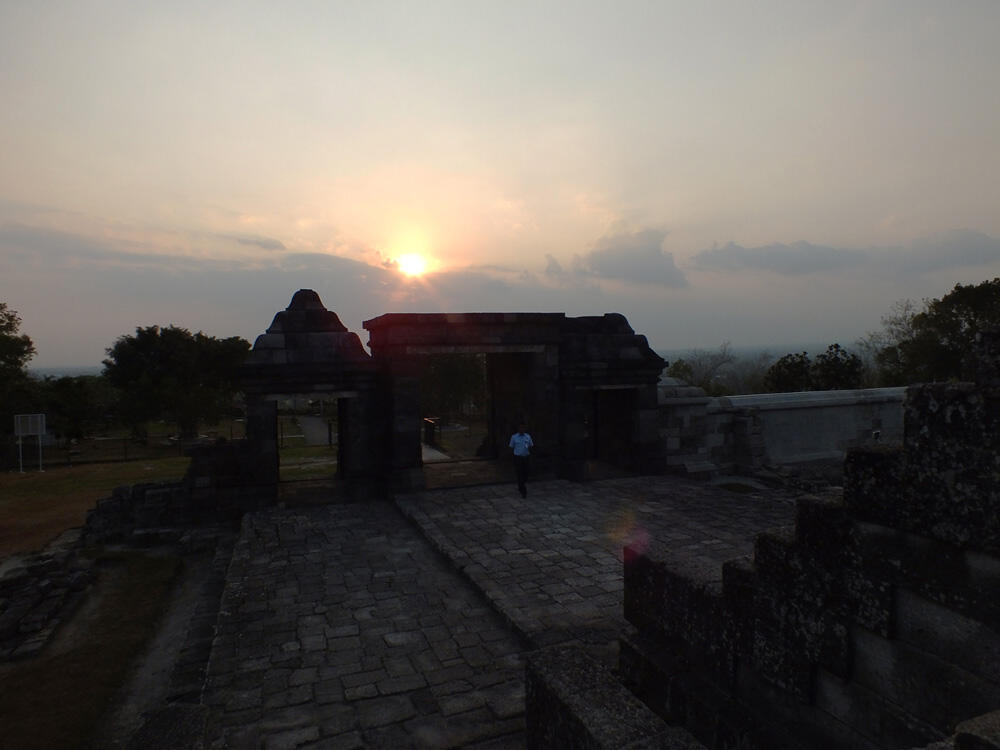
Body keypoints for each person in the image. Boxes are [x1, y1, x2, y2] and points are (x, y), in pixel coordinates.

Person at [509, 423, 534, 498]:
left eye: (523, 428)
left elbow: (530, 446)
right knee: (520, 474)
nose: (521, 429)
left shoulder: (528, 436)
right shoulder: (514, 437)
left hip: (526, 457)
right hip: (518, 458)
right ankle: (523, 490)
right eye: (520, 428)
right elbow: (511, 447)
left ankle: (521, 485)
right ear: (518, 429)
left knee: (526, 473)